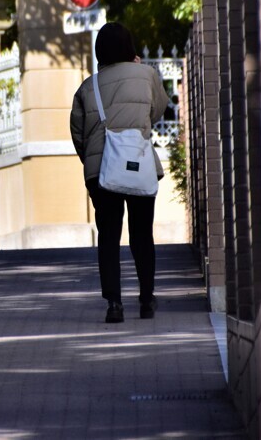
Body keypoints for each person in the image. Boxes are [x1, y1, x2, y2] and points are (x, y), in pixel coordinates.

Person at [70, 22, 170, 324]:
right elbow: (158, 109)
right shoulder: (147, 75)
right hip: (138, 163)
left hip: (101, 171)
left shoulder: (88, 86)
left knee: (109, 236)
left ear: (100, 51)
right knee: (142, 233)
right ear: (130, 48)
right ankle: (147, 298)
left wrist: (91, 160)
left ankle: (114, 303)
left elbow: (78, 131)